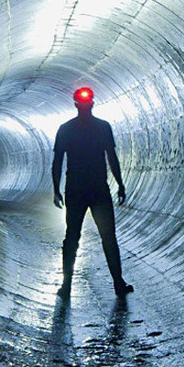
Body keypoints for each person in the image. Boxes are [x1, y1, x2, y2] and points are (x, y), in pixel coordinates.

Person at [52, 86, 133, 298]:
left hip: (78, 189)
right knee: (106, 237)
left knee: (74, 236)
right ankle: (116, 283)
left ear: (76, 105)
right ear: (91, 104)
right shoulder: (101, 127)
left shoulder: (66, 128)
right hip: (96, 189)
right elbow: (111, 158)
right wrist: (120, 184)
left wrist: (56, 189)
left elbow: (58, 161)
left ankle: (67, 285)